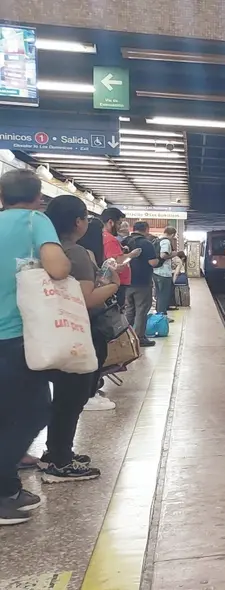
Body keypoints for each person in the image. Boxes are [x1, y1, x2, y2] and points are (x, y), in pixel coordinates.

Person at [0, 169, 72, 525]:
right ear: (38, 198)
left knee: (4, 411)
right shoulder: (34, 220)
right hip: (14, 333)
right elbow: (57, 268)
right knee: (34, 411)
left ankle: (9, 488)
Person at [40, 196, 120, 483]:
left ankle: (55, 452)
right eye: (86, 217)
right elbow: (85, 300)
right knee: (72, 397)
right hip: (75, 334)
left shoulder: (44, 250)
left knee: (62, 396)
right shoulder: (77, 254)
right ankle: (61, 461)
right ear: (78, 222)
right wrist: (113, 284)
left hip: (47, 331)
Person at [77, 218, 119, 410]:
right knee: (96, 351)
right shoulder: (85, 254)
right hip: (91, 312)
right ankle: (87, 396)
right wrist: (113, 282)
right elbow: (94, 288)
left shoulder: (74, 250)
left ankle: (89, 392)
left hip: (81, 313)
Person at [122, 222, 159, 348]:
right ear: (146, 230)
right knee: (141, 310)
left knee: (129, 310)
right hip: (142, 282)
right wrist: (160, 259)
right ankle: (139, 338)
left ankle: (124, 336)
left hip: (126, 282)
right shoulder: (146, 243)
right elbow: (153, 263)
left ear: (133, 229)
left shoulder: (124, 241)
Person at [153, 227, 180, 319]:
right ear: (172, 234)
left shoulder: (157, 240)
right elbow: (163, 255)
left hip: (156, 272)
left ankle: (158, 315)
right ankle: (162, 317)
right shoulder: (166, 241)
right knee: (163, 295)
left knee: (159, 295)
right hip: (163, 273)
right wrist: (175, 254)